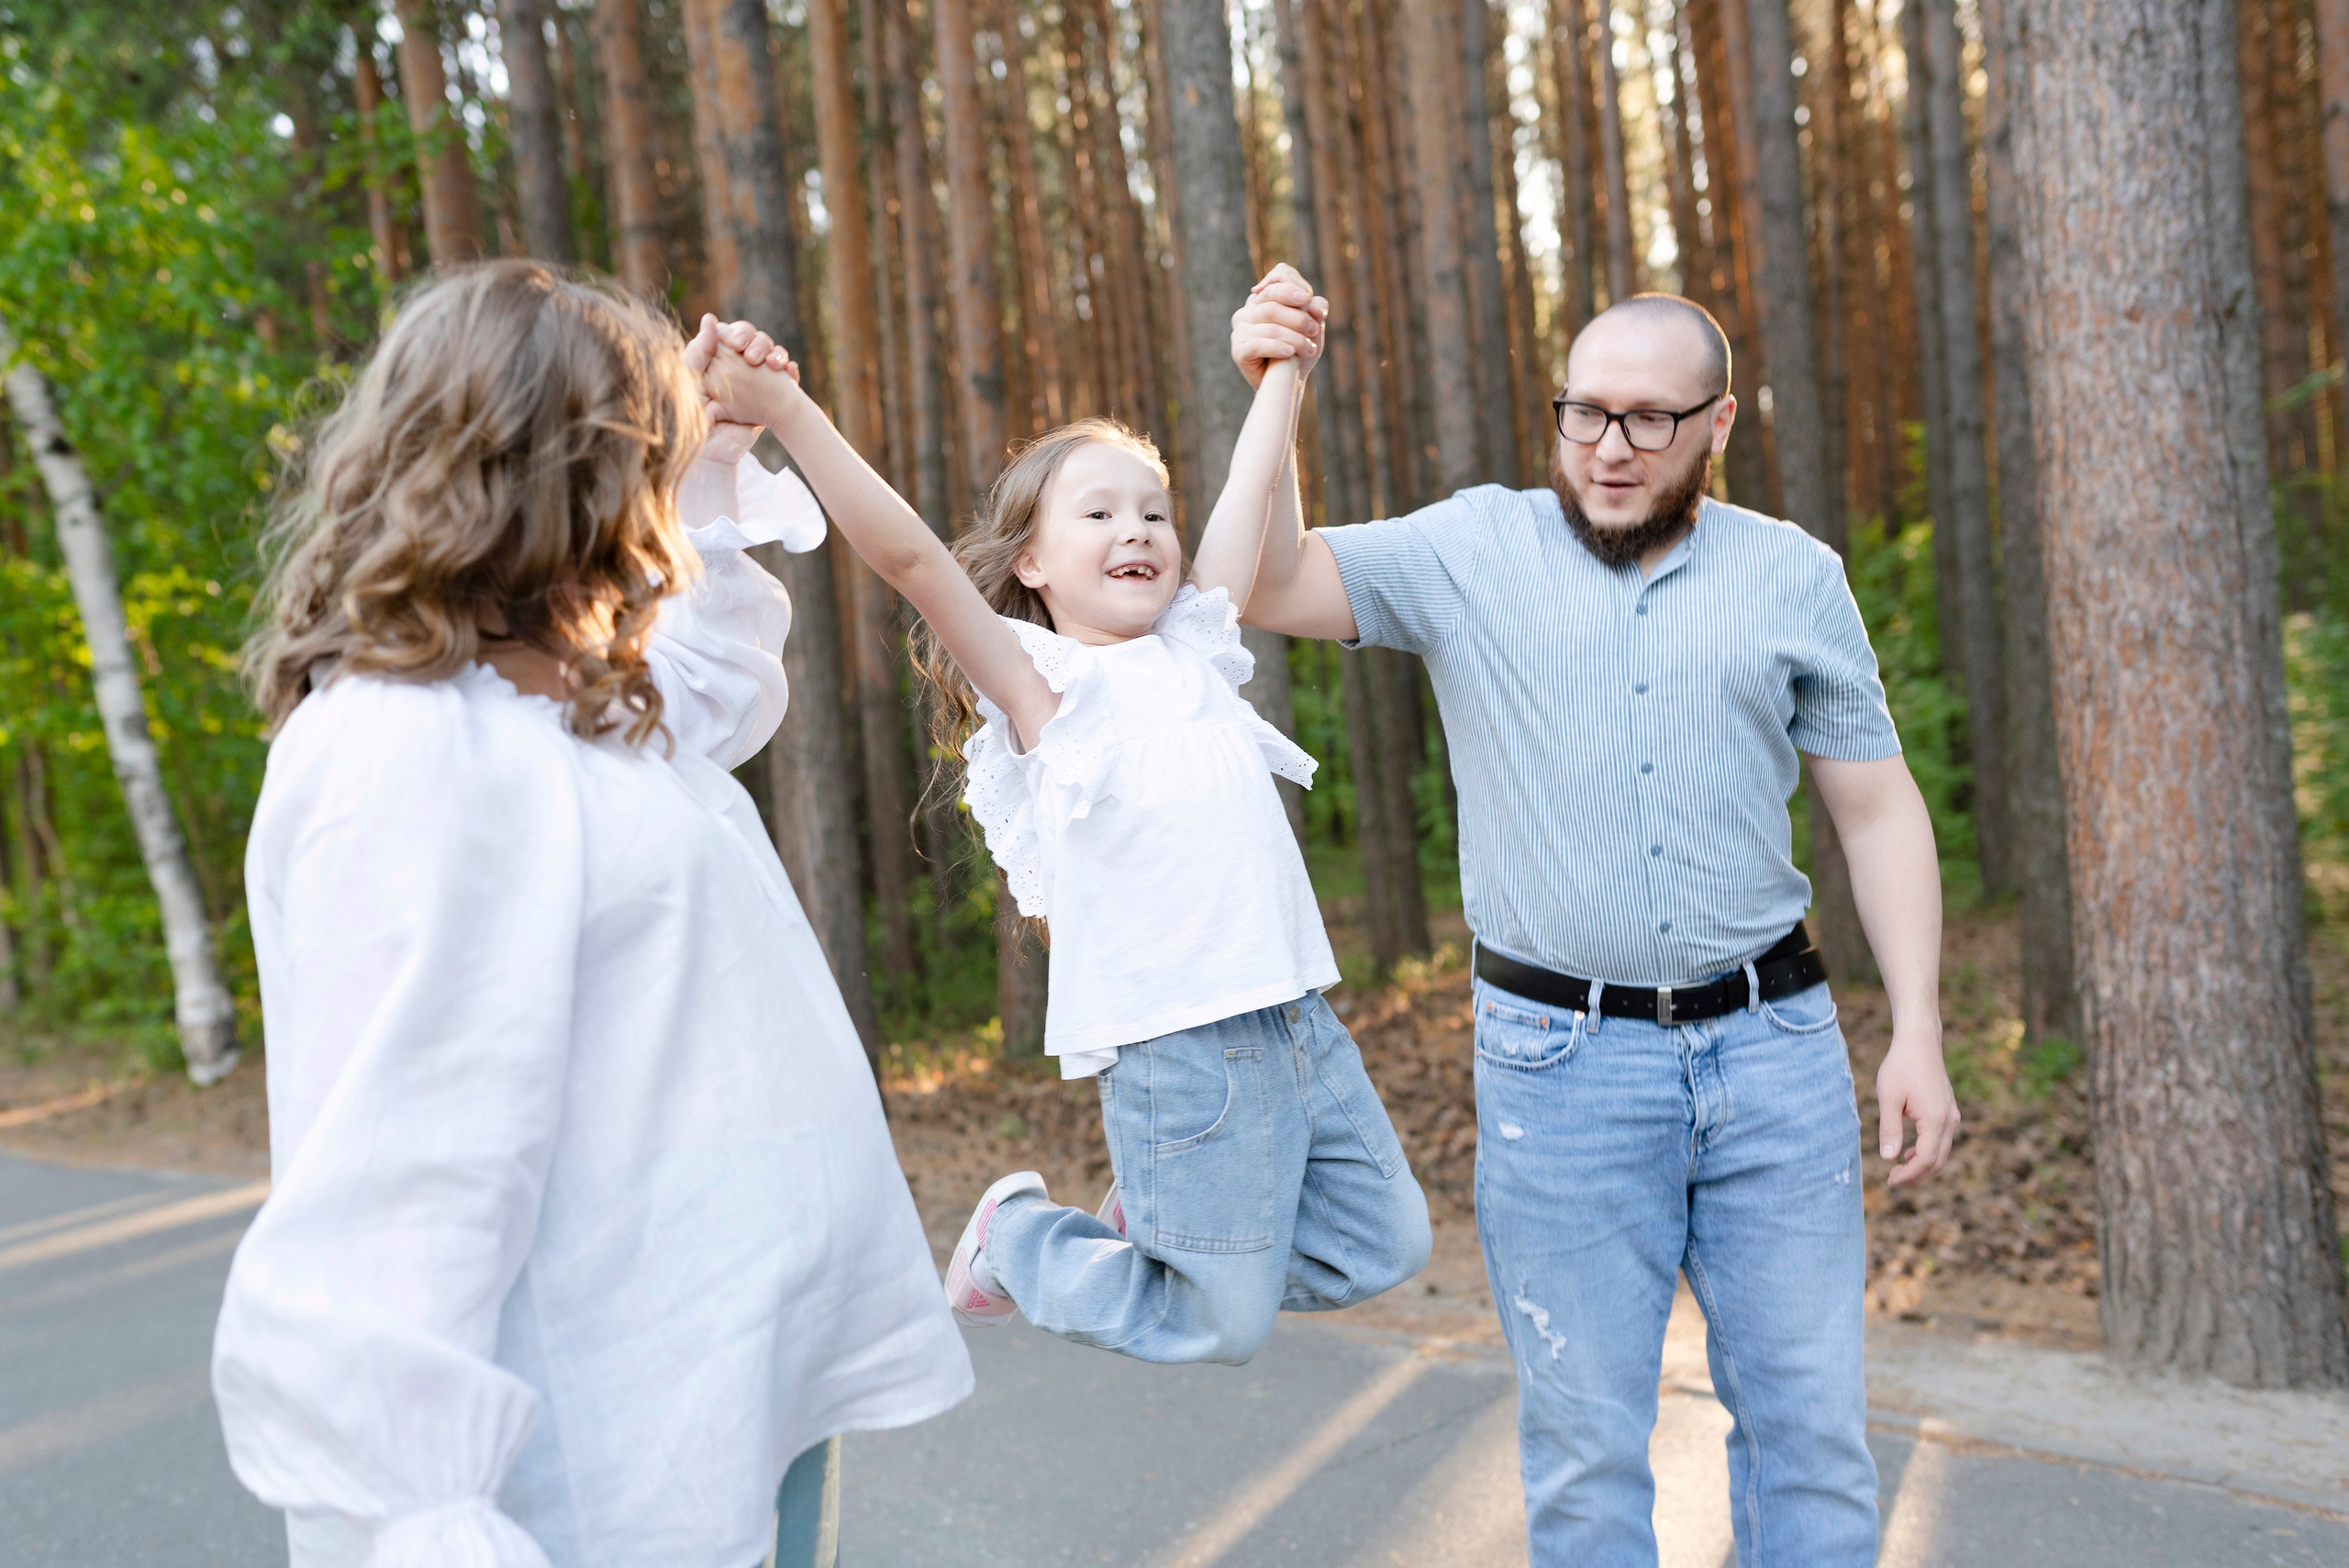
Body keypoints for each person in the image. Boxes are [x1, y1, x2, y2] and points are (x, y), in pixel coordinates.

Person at [213, 261, 971, 1568]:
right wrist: (428, 1525)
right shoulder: (408, 753)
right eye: (650, 459)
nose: (658, 501)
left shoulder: (563, 698)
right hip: (608, 1469)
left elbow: (717, 681)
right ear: (560, 475)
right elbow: (392, 1198)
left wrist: (720, 458)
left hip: (738, 1384)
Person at [1228, 265, 1959, 1566]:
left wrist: (1917, 1030)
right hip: (1558, 1070)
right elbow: (1261, 584)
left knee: (1811, 1439)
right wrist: (1278, 389)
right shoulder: (1471, 549)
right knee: (1585, 1454)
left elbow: (1877, 809)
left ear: (1717, 424)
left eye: (1649, 420)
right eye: (1583, 413)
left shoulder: (1794, 576)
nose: (1609, 448)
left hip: (1776, 1055)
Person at [697, 277, 1431, 1370]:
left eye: (1152, 513)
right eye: (1098, 514)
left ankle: (1164, 1223)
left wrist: (1288, 370)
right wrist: (788, 412)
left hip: (1293, 1016)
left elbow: (1245, 492)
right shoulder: (1044, 691)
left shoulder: (1195, 647)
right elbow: (910, 557)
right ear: (1031, 562)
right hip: (1179, 1049)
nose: (1137, 529)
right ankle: (1019, 1237)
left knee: (1385, 1241)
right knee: (1217, 1322)